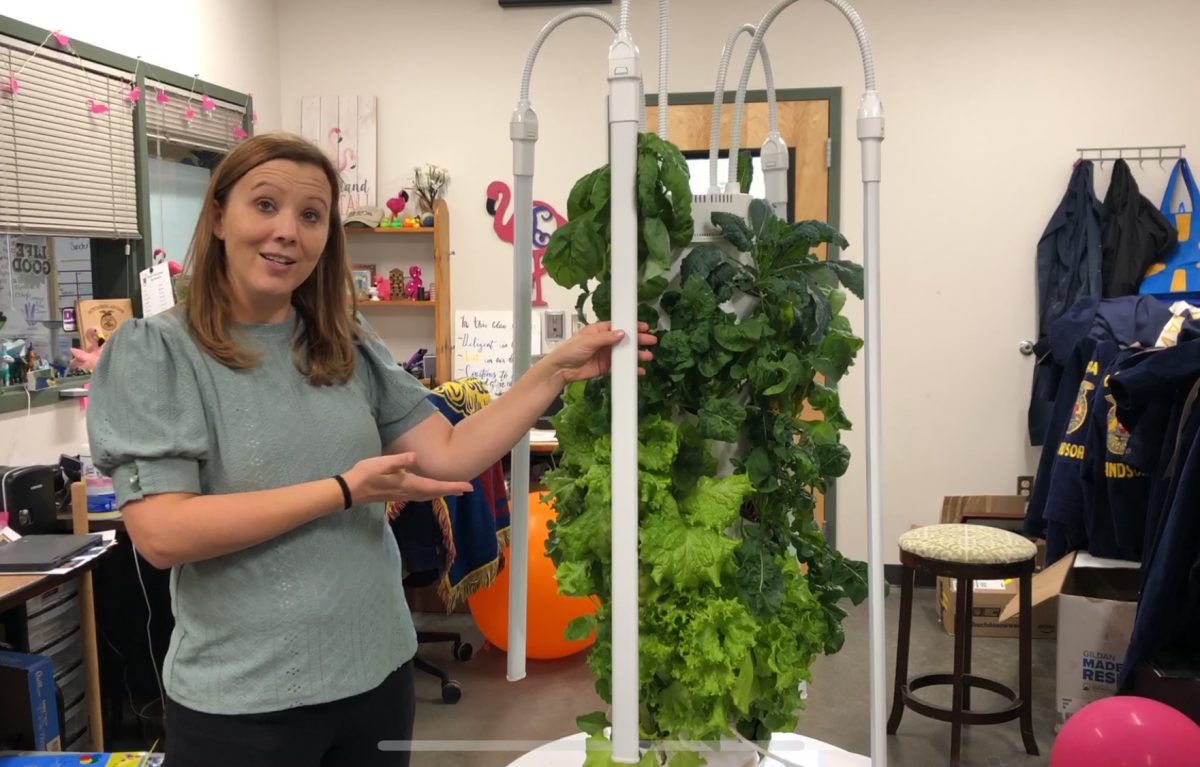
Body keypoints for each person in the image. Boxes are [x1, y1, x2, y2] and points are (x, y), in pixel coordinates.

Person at [86, 133, 656, 767]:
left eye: (311, 216)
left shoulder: (342, 343)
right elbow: (163, 533)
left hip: (377, 681)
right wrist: (343, 490)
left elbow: (448, 453)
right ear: (219, 216)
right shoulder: (156, 353)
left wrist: (554, 370)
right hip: (245, 707)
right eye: (265, 205)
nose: (287, 232)